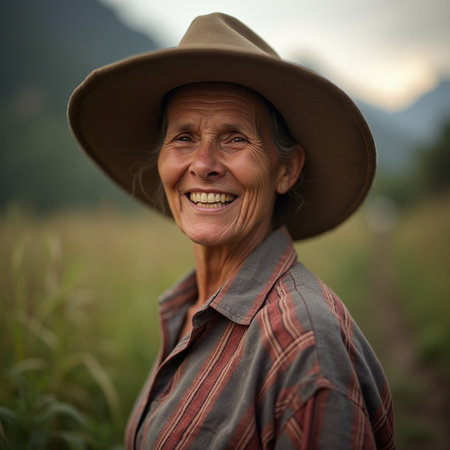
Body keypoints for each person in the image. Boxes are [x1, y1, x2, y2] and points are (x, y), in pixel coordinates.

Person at [68, 13, 395, 449]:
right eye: (184, 137)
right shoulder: (190, 308)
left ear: (286, 170)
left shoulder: (303, 346)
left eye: (235, 138)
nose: (203, 164)